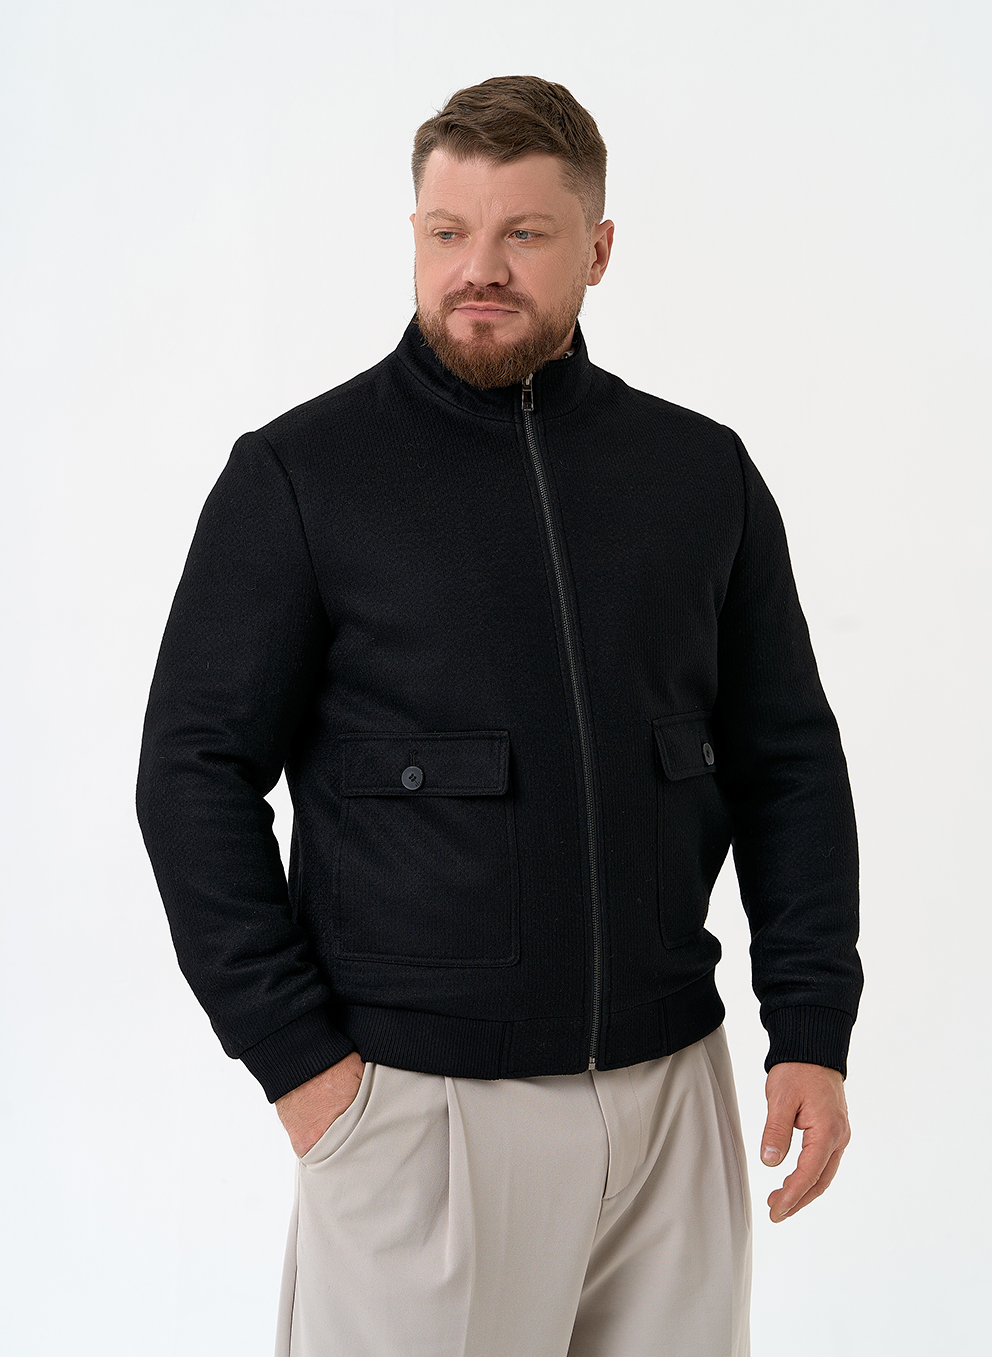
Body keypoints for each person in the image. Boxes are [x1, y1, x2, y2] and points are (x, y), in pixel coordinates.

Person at [136, 75, 862, 1357]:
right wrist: (301, 1066)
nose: (478, 267)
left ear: (597, 248)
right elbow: (192, 773)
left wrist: (809, 1030)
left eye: (523, 232)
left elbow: (786, 761)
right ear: (413, 236)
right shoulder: (300, 475)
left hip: (670, 1099)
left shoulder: (697, 473)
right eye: (446, 231)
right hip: (419, 1115)